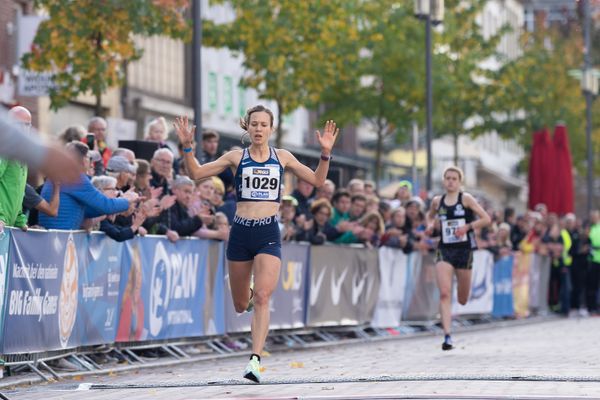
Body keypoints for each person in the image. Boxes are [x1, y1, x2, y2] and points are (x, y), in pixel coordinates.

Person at [175, 105, 337, 383]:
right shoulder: (236, 157)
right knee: (241, 304)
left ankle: (255, 361)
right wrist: (188, 147)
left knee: (263, 297)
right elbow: (196, 174)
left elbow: (318, 180)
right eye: (254, 124)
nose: (259, 129)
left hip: (268, 233)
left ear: (271, 129)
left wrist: (325, 153)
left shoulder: (282, 157)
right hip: (240, 232)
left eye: (264, 124)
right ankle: (244, 293)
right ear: (247, 128)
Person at [425, 166, 490, 351]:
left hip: (464, 250)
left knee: (462, 298)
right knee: (445, 293)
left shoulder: (466, 199)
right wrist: (430, 226)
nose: (450, 181)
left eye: (454, 178)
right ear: (443, 180)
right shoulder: (438, 201)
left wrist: (468, 227)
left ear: (459, 181)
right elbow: (429, 217)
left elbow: (486, 219)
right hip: (445, 250)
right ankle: (447, 336)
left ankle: (458, 305)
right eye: (447, 178)